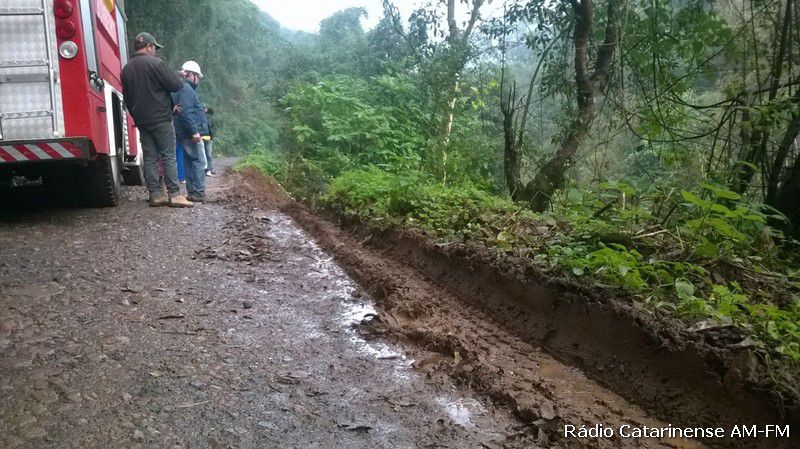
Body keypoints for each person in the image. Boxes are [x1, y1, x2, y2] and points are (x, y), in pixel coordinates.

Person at [121, 32, 193, 207]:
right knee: (168, 156)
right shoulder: (156, 63)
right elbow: (176, 85)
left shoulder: (126, 69)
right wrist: (177, 75)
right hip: (161, 119)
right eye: (154, 48)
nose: (155, 51)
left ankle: (155, 195)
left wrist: (137, 116)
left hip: (142, 121)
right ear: (148, 47)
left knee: (150, 157)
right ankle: (174, 195)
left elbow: (127, 98)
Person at [171, 61, 209, 202]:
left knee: (189, 161)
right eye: (197, 76)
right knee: (199, 161)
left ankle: (192, 192)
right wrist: (194, 131)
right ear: (191, 75)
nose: (198, 80)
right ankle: (198, 192)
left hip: (182, 131)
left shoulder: (178, 88)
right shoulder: (186, 89)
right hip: (189, 133)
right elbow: (186, 111)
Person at [203, 107, 215, 177]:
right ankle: (209, 169)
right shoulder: (202, 117)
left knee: (207, 154)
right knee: (207, 154)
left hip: (207, 138)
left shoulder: (208, 119)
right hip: (206, 138)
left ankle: (209, 169)